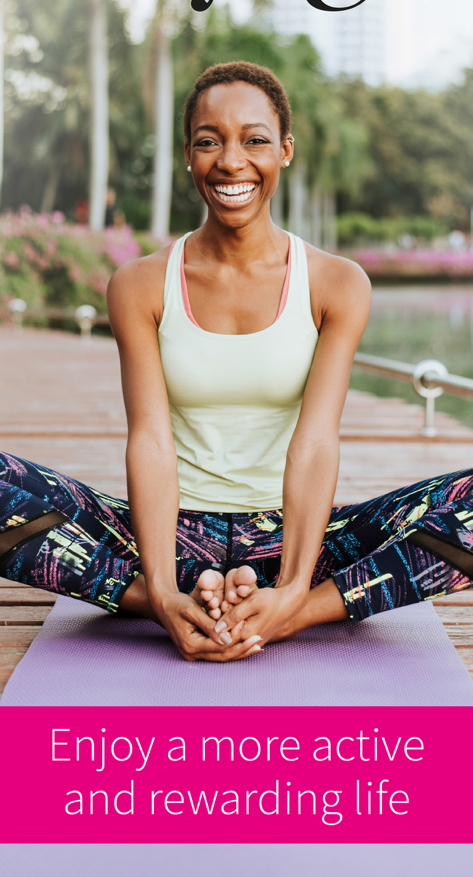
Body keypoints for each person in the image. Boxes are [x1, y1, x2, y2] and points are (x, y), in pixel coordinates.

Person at [1, 61, 473, 663]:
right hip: (165, 537)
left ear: (285, 151)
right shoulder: (139, 284)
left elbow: (315, 442)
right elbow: (150, 440)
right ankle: (154, 601)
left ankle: (301, 610)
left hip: (302, 541)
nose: (231, 161)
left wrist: (295, 587)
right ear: (188, 156)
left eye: (254, 140)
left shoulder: (337, 282)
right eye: (209, 141)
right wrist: (162, 587)